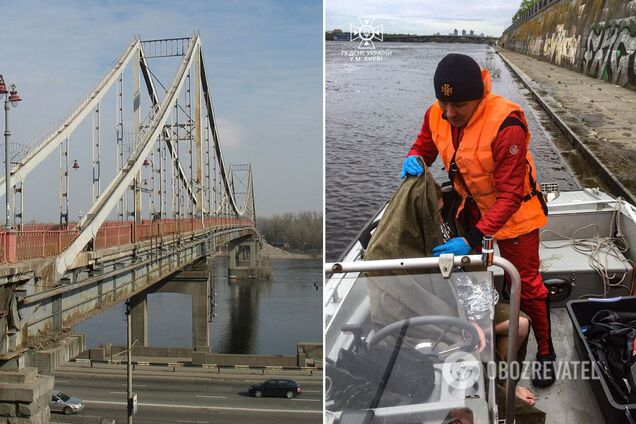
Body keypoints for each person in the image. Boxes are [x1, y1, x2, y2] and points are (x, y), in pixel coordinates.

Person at [401, 53, 555, 387]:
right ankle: (481, 334)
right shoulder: (437, 114)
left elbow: (511, 196)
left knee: (526, 285)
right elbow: (423, 149)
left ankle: (545, 350)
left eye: (458, 105)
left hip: (515, 216)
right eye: (444, 102)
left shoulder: (506, 125)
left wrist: (471, 238)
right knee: (471, 280)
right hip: (470, 208)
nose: (449, 112)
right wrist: (414, 159)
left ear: (479, 98)